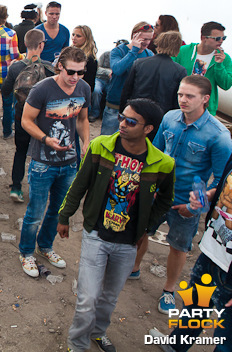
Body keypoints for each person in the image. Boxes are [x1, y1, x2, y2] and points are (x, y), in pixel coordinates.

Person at [57, 99, 174, 352]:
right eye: (122, 117)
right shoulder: (101, 146)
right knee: (88, 299)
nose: (122, 123)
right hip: (96, 235)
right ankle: (77, 345)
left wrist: (147, 228)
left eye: (131, 121)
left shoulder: (163, 163)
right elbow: (80, 184)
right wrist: (64, 216)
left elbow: (166, 199)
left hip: (128, 242)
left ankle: (98, 333)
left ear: (148, 129)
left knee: (109, 298)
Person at [130, 75, 232, 316]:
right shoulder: (169, 118)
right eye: (180, 94)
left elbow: (222, 180)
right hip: (156, 193)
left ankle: (168, 290)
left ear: (205, 99)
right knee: (142, 231)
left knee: (178, 246)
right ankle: (133, 268)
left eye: (189, 96)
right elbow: (153, 151)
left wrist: (197, 204)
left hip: (186, 201)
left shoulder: (218, 135)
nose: (182, 100)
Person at [18, 46, 91, 278]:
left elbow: (83, 118)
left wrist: (87, 142)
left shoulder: (84, 88)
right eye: (71, 71)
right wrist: (45, 139)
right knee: (35, 212)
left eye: (80, 72)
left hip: (69, 162)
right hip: (42, 162)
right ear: (60, 65)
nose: (75, 77)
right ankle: (26, 252)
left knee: (59, 211)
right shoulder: (42, 89)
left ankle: (46, 247)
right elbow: (26, 121)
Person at [150, 151, 232, 351]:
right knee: (195, 309)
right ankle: (175, 346)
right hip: (213, 250)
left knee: (226, 340)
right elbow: (224, 189)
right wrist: (208, 196)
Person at [1, 29, 55, 202]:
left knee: (20, 152)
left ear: (25, 44)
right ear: (41, 45)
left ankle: (16, 187)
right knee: (41, 154)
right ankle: (38, 188)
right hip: (42, 120)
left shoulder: (16, 66)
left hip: (21, 117)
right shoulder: (49, 68)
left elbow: (6, 90)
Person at [100, 22, 155, 135]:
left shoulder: (149, 54)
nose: (146, 42)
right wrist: (134, 51)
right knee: (106, 138)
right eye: (144, 39)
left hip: (135, 105)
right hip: (115, 103)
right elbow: (117, 70)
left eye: (149, 39)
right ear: (134, 35)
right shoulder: (119, 51)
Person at [120, 31, 186, 115]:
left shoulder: (139, 63)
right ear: (177, 47)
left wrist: (122, 113)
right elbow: (177, 101)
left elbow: (127, 91)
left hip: (137, 111)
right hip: (162, 114)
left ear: (158, 43)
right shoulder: (180, 71)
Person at [173, 21, 232, 116]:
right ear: (203, 38)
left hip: (205, 110)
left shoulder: (224, 58)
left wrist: (219, 65)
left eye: (223, 38)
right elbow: (170, 74)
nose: (221, 41)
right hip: (180, 105)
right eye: (217, 38)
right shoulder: (183, 51)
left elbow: (226, 85)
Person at [0, 5, 20, 140]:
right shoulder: (11, 34)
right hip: (6, 75)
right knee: (7, 105)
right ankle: (7, 131)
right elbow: (14, 55)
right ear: (5, 17)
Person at [70, 25, 98, 92]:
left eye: (78, 36)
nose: (74, 38)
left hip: (80, 93)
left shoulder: (90, 59)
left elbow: (89, 84)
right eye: (73, 35)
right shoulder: (69, 52)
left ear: (86, 38)